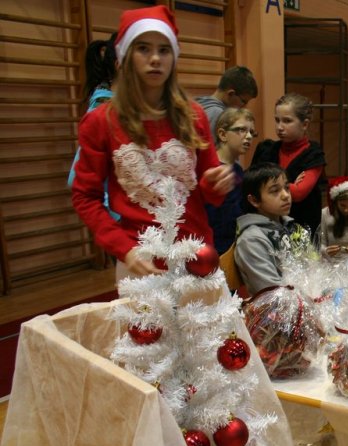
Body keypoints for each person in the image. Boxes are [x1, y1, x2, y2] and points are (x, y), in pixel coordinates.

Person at [71, 6, 233, 280]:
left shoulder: (194, 116)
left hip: (196, 257)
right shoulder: (101, 122)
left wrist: (217, 183)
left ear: (174, 57)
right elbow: (85, 196)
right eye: (143, 48)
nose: (155, 58)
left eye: (164, 50)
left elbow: (209, 194)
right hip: (140, 262)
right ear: (125, 56)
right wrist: (123, 248)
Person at [251, 93, 326, 235]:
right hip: (268, 224)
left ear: (305, 124)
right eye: (277, 120)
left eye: (287, 121)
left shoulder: (313, 154)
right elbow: (252, 185)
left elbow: (298, 194)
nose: (279, 127)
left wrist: (269, 186)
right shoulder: (266, 149)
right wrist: (291, 183)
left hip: (302, 226)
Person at [67, 31, 119, 219]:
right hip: (131, 231)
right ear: (120, 65)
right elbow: (77, 180)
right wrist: (118, 215)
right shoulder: (102, 113)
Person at [234, 162, 301, 295]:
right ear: (254, 200)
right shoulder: (252, 240)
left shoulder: (289, 226)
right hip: (277, 310)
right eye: (275, 191)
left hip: (301, 298)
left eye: (286, 188)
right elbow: (273, 294)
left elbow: (311, 261)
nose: (286, 195)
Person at [206, 107, 257, 255]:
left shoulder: (238, 170)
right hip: (210, 247)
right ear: (222, 134)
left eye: (251, 133)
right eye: (241, 130)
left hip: (232, 245)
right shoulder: (210, 169)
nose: (248, 137)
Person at [196, 65, 259, 134]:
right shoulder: (219, 115)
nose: (244, 106)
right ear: (231, 94)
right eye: (243, 101)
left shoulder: (199, 103)